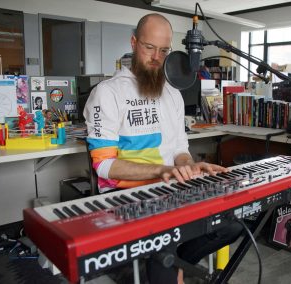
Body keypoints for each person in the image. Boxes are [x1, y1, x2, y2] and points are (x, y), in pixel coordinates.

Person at [84, 13, 242, 284]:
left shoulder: (173, 94)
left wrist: (188, 166)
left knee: (231, 224)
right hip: (129, 197)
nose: (157, 57)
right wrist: (163, 170)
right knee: (166, 240)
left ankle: (177, 262)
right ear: (134, 43)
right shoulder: (106, 93)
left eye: (164, 50)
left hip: (171, 191)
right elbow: (105, 166)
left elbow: (180, 149)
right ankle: (170, 266)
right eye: (149, 47)